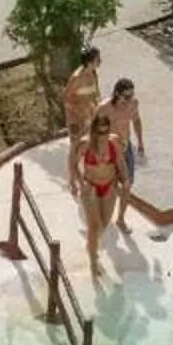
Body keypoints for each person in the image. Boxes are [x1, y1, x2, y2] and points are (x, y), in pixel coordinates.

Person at [73, 111, 127, 276]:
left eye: (106, 131)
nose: (103, 135)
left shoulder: (114, 142)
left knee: (103, 225)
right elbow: (72, 164)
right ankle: (93, 261)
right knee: (94, 226)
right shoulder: (85, 144)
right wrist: (80, 183)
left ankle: (91, 245)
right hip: (91, 187)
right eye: (99, 131)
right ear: (93, 130)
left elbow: (121, 164)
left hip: (109, 185)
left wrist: (125, 181)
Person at [96, 78, 146, 200]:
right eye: (127, 96)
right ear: (117, 93)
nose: (129, 99)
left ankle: (120, 215)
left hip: (125, 146)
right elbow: (94, 130)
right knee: (108, 181)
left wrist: (140, 142)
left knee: (128, 181)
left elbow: (136, 121)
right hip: (108, 149)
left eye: (132, 95)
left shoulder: (133, 104)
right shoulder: (104, 108)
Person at [60, 45, 102, 188]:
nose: (100, 61)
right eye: (98, 59)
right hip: (76, 118)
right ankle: (72, 180)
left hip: (89, 116)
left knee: (85, 147)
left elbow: (96, 95)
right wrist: (78, 114)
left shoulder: (94, 74)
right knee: (75, 147)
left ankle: (80, 175)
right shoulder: (77, 77)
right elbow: (66, 100)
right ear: (90, 61)